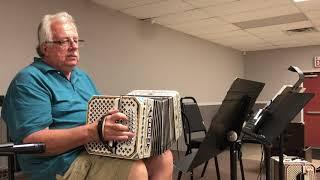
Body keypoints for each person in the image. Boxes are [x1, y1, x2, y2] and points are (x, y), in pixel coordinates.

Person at [1, 12, 173, 180]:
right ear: (45, 47)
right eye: (64, 41)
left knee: (163, 158)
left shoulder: (81, 77)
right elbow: (35, 140)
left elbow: (102, 116)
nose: (74, 46)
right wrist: (95, 131)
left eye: (76, 40)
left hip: (93, 148)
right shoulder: (29, 80)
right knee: (135, 170)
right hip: (58, 163)